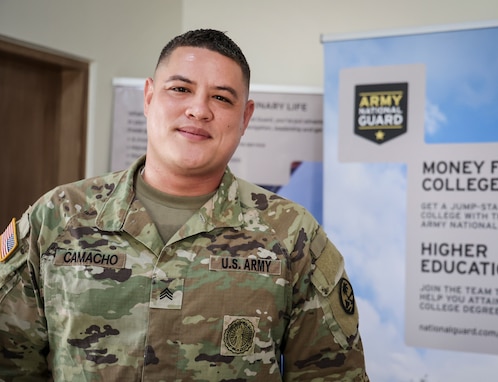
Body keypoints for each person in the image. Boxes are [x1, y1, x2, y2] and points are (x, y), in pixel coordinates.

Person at [0, 29, 368, 381]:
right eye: (180, 89)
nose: (198, 109)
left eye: (222, 97)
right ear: (148, 97)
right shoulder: (58, 217)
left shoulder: (291, 235)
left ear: (246, 117)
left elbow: (333, 375)